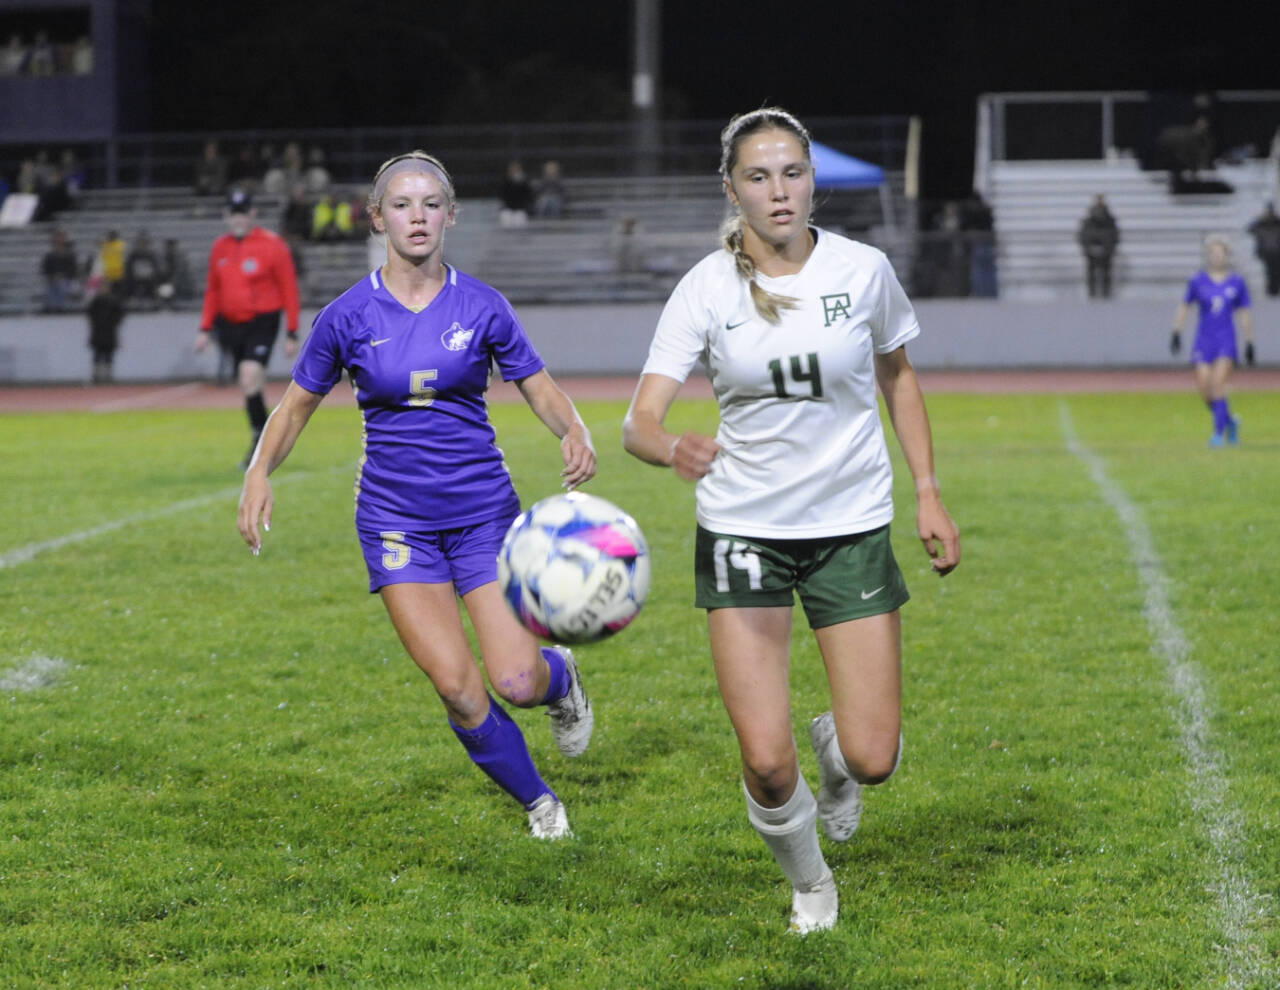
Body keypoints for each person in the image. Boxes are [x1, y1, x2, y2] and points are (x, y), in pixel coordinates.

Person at [621, 108, 960, 934]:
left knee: (873, 756)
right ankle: (811, 883)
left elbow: (899, 377)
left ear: (813, 180)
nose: (779, 191)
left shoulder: (865, 269)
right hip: (742, 533)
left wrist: (926, 489)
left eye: (792, 173)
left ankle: (836, 758)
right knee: (769, 765)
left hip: (849, 526)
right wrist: (672, 450)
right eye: (759, 176)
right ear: (732, 189)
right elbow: (639, 423)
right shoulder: (706, 287)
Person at [236, 150, 598, 839]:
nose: (418, 216)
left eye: (431, 204)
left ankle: (561, 678)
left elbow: (539, 385)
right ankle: (540, 804)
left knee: (517, 683)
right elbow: (292, 408)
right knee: (460, 690)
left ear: (451, 215)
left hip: (483, 515)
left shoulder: (482, 304)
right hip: (396, 522)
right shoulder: (347, 316)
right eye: (401, 205)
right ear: (377, 218)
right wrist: (259, 470)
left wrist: (572, 428)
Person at [196, 188, 301, 467]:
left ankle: (261, 441)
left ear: (253, 213)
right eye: (234, 213)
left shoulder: (273, 245)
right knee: (249, 385)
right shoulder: (220, 247)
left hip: (262, 321)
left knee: (248, 375)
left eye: (243, 212)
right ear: (226, 215)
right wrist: (205, 328)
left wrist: (291, 331)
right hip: (230, 324)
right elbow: (213, 290)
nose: (238, 218)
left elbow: (289, 288)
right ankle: (263, 436)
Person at [1170, 234, 1256, 446]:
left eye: (1221, 252)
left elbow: (1244, 313)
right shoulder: (1198, 281)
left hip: (1225, 340)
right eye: (1213, 253)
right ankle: (1230, 421)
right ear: (1208, 256)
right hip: (1204, 340)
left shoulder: (1236, 282)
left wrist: (1249, 341)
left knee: (1218, 384)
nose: (1217, 256)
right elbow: (1185, 306)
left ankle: (1218, 434)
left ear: (1227, 255)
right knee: (1205, 389)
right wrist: (1176, 332)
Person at [1077, 194, 1119, 299]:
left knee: (1106, 273)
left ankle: (1106, 292)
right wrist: (1089, 247)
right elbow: (1084, 235)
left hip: (1106, 250)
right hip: (1092, 251)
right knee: (1092, 273)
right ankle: (1092, 292)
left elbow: (1114, 235)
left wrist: (1108, 247)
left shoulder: (1109, 220)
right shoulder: (1089, 220)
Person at [86, 276, 125, 383]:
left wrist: (112, 323)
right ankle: (96, 376)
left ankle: (108, 376)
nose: (104, 289)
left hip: (109, 332)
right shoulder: (96, 301)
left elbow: (120, 315)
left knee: (109, 356)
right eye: (102, 286)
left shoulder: (114, 301)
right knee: (97, 356)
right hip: (98, 332)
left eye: (106, 286)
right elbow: (90, 314)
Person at [40, 228, 79, 312]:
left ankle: (60, 308)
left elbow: (73, 269)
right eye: (57, 237)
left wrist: (62, 275)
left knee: (62, 285)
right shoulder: (49, 255)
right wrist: (52, 276)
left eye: (61, 237)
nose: (59, 240)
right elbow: (45, 268)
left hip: (67, 279)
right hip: (52, 279)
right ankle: (52, 307)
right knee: (49, 286)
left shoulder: (70, 254)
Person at [1246, 202, 1280, 298]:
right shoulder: (1261, 223)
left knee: (1276, 271)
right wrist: (1259, 218)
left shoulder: (1277, 222)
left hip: (1277, 252)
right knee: (1269, 272)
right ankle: (1272, 291)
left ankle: (1275, 290)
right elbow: (1249, 229)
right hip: (1266, 252)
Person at [498, 160, 533, 228]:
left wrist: (522, 182)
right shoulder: (505, 181)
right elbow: (502, 195)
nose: (514, 171)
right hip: (507, 208)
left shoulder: (524, 182)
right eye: (513, 169)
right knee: (506, 219)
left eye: (516, 169)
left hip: (520, 208)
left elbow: (528, 195)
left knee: (519, 220)